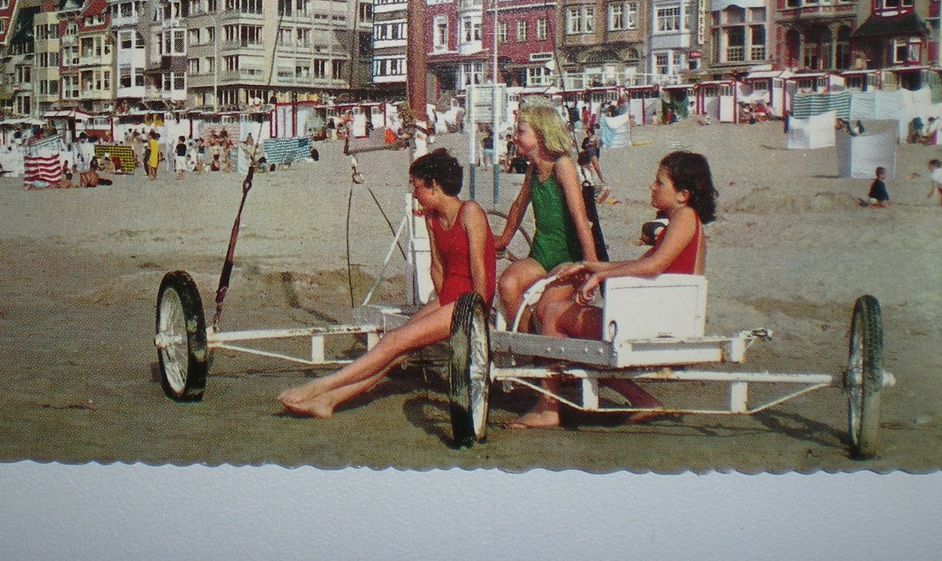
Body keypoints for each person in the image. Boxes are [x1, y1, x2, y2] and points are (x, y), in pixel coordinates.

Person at [277, 149, 494, 419]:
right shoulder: (433, 218)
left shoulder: (469, 212)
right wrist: (438, 310)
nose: (415, 194)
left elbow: (480, 273)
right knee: (396, 350)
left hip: (470, 303)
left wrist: (476, 318)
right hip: (449, 298)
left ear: (434, 185)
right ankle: (329, 401)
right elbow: (438, 269)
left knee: (394, 340)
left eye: (417, 187)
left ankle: (322, 386)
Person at [513, 150, 718, 428]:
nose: (652, 187)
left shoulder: (684, 217)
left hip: (653, 322)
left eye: (659, 183)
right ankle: (642, 401)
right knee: (567, 326)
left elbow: (651, 267)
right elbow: (642, 264)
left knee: (552, 313)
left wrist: (596, 277)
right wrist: (587, 266)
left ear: (683, 194)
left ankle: (548, 406)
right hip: (659, 315)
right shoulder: (683, 221)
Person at [494, 103, 600, 330]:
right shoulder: (533, 169)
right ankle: (529, 339)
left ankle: (540, 341)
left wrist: (591, 268)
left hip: (568, 258)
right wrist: (503, 240)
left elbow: (581, 220)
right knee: (507, 285)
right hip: (541, 255)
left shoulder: (562, 166)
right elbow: (518, 206)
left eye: (521, 132)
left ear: (541, 134)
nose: (515, 137)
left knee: (545, 310)